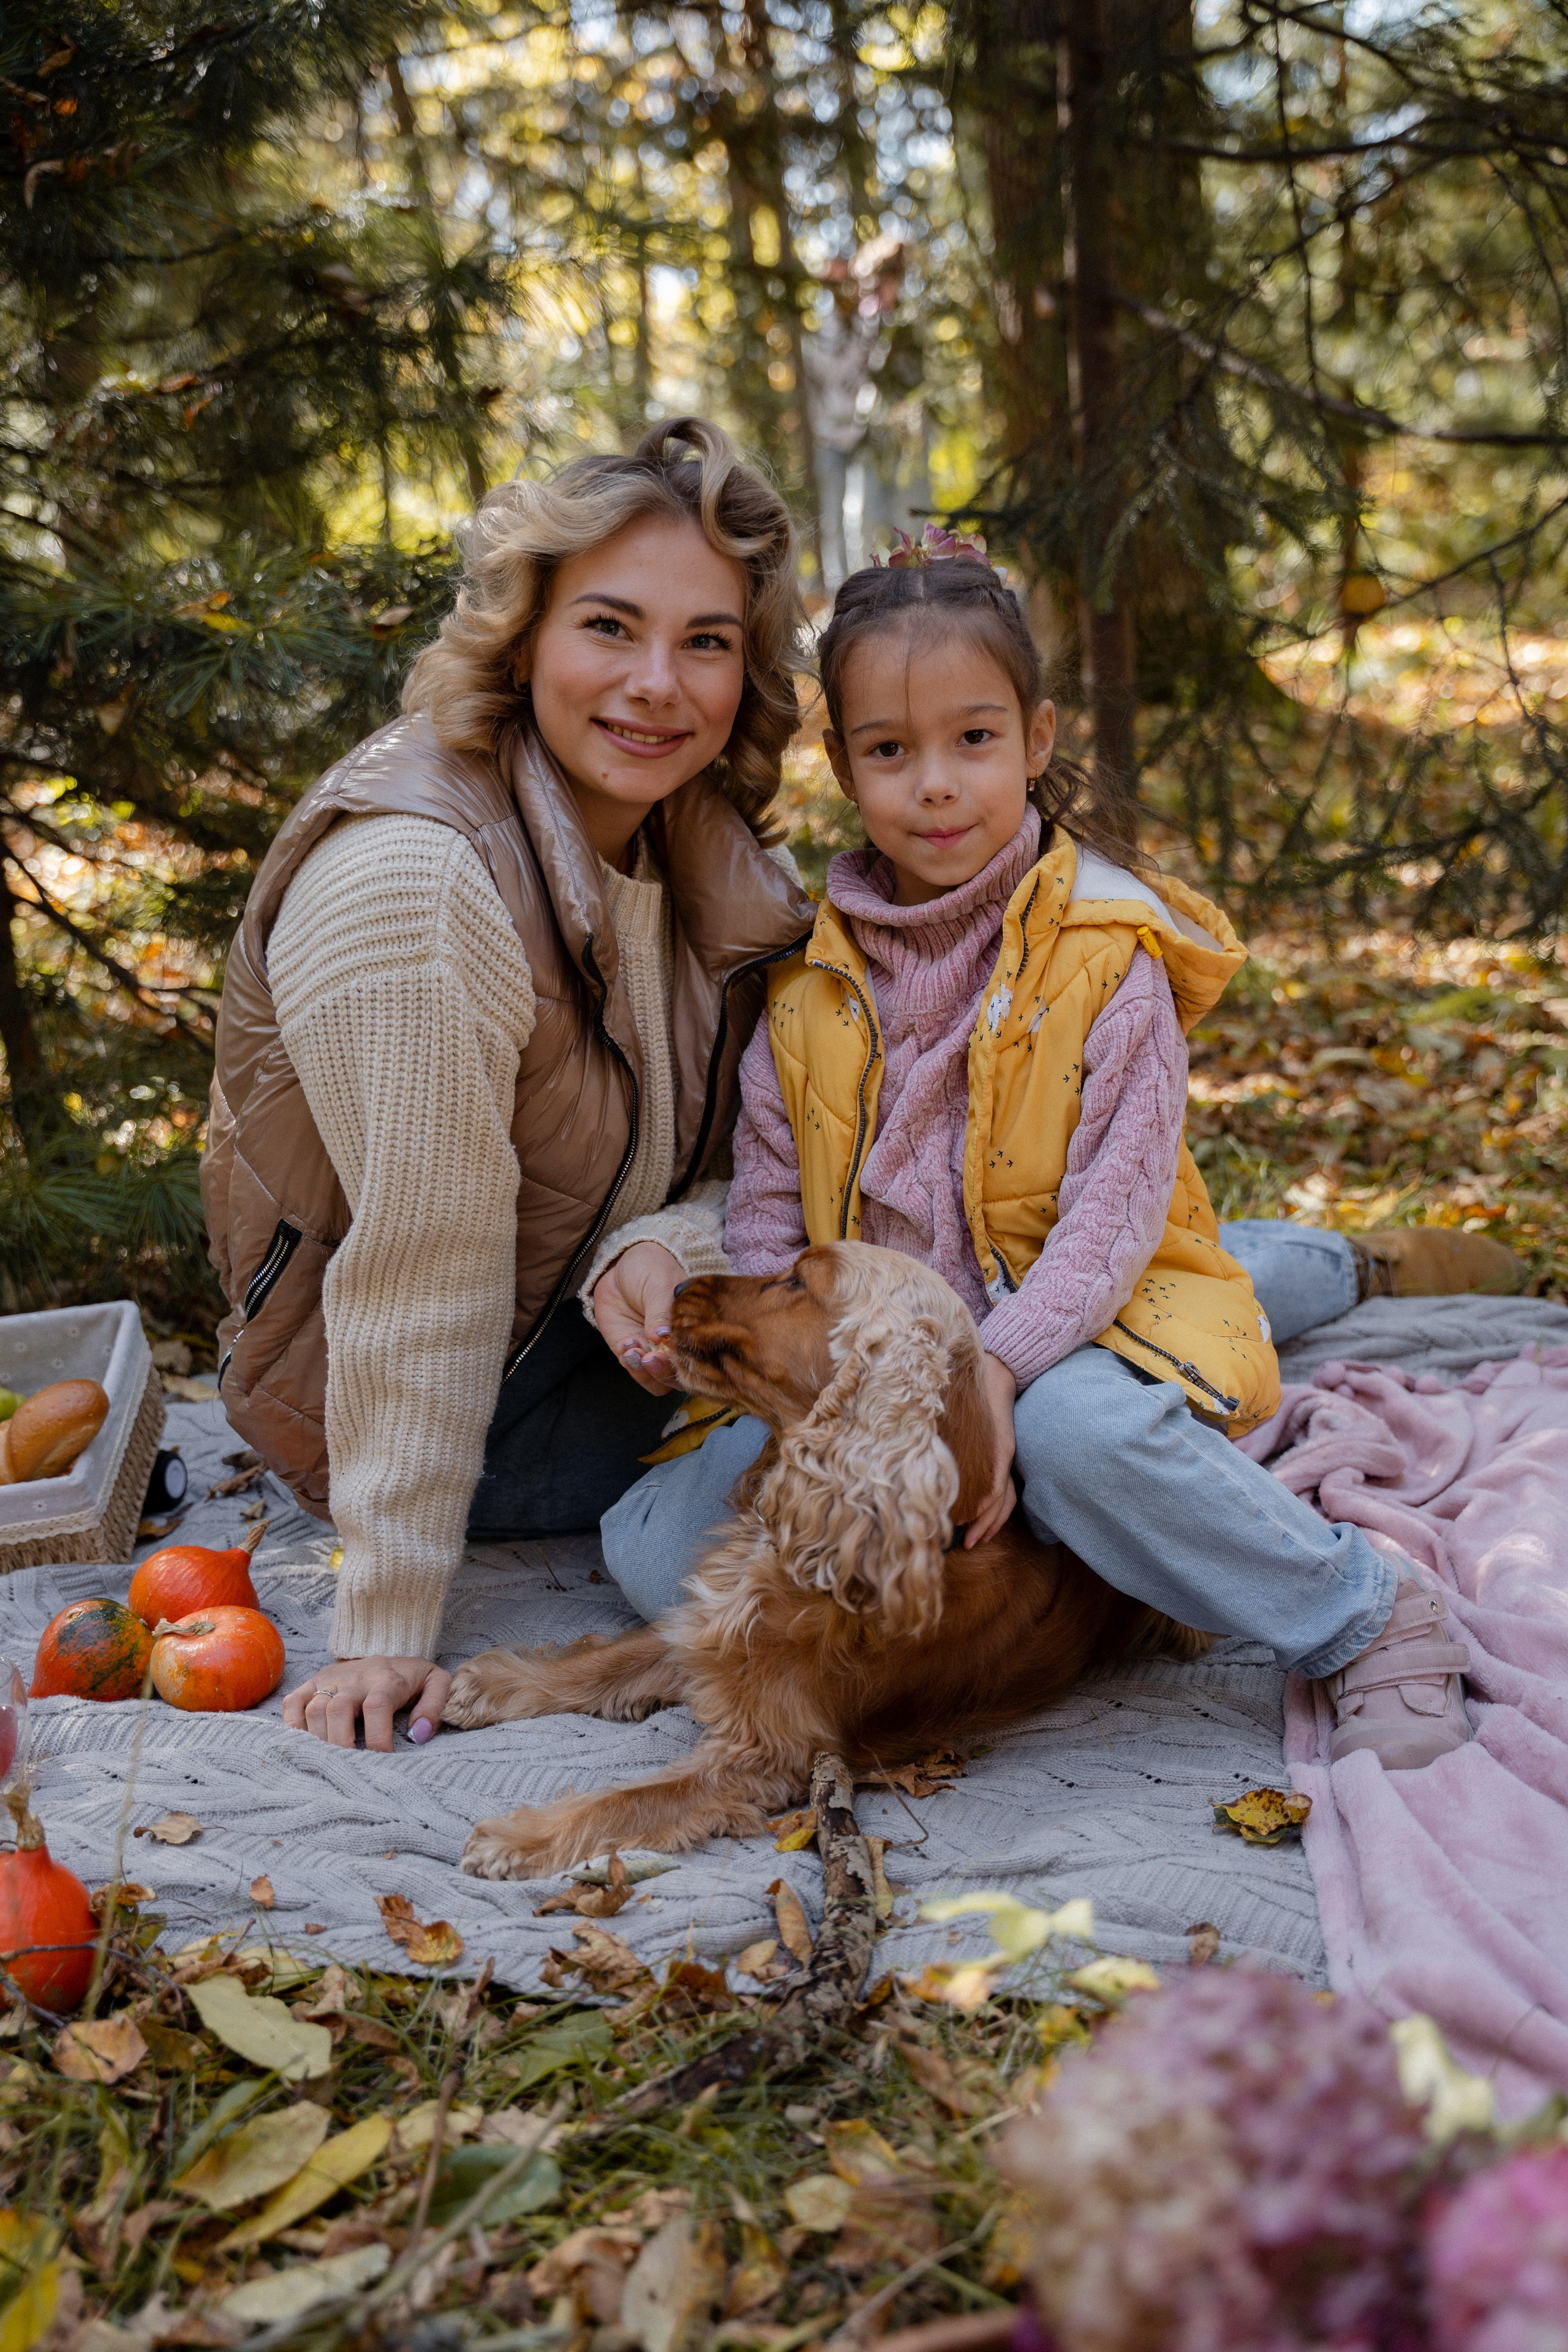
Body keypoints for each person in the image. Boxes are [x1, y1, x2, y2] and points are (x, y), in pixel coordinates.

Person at [601, 532, 1513, 1771]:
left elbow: (1111, 1225)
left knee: (1084, 1442)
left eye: (971, 741)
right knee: (657, 1549)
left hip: (1084, 1317)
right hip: (899, 1360)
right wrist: (779, 1390)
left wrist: (993, 1370)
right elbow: (775, 1224)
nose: (934, 785)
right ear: (843, 766)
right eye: (888, 750)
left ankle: (1358, 1605)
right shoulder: (808, 991)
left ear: (1033, 740)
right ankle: (1282, 1281)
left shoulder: (1106, 957)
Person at [200, 418, 818, 1752]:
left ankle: (1212, 1306)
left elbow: (762, 1155)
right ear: (524, 634)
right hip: (457, 1417)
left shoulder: (683, 850)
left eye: (705, 641)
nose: (658, 683)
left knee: (943, 1259)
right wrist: (384, 1630)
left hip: (589, 1335)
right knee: (928, 1354)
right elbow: (424, 1272)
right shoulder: (418, 889)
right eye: (609, 626)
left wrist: (658, 1243)